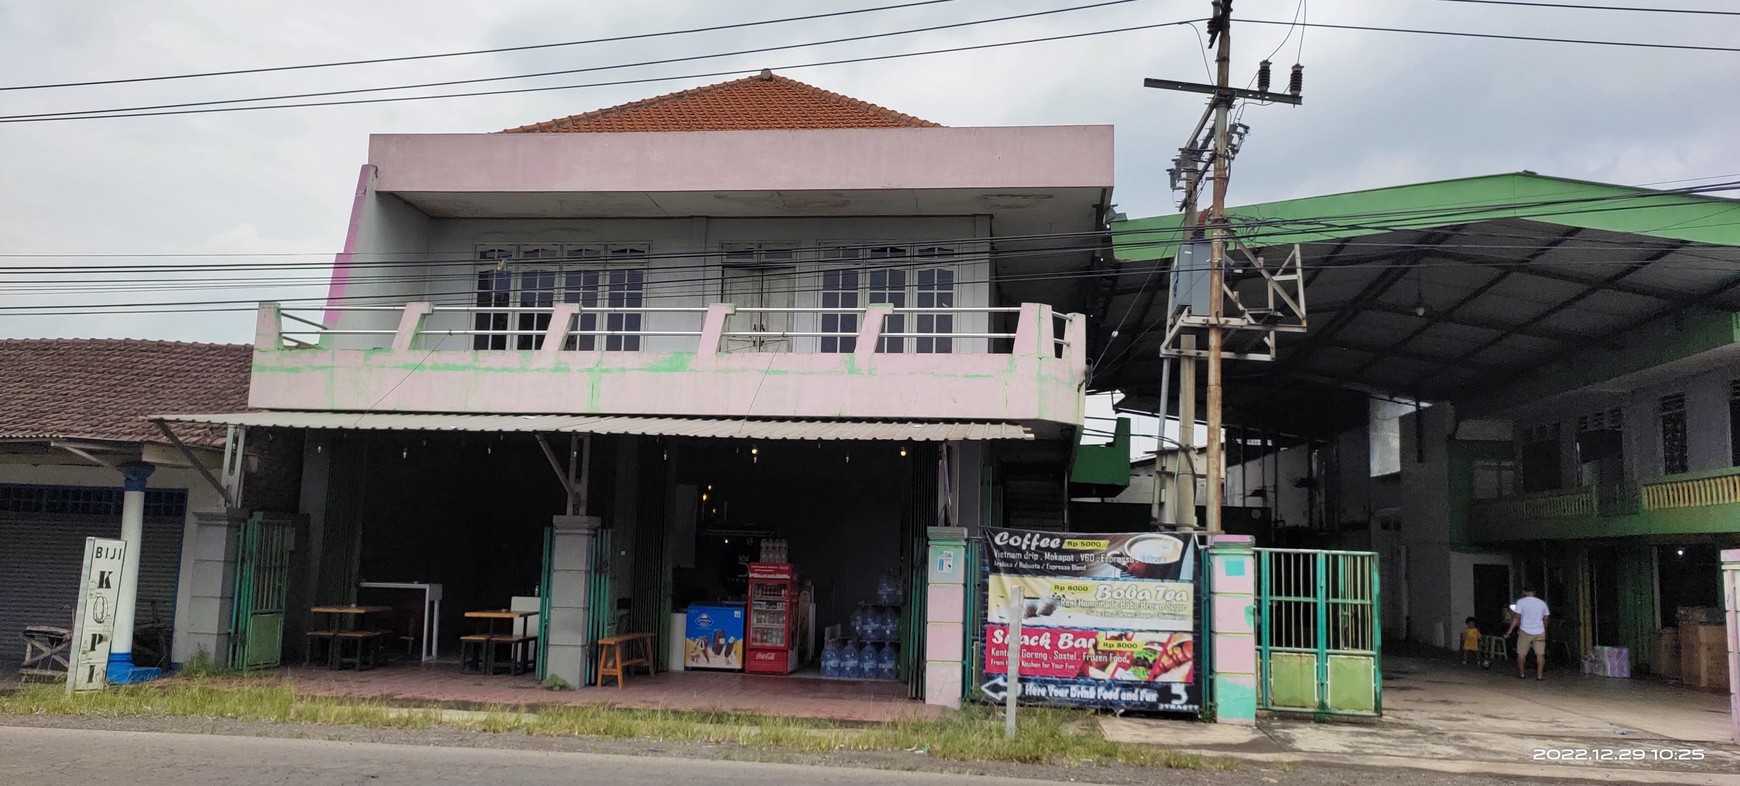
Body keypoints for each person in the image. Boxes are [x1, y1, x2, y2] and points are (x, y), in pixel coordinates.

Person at [1506, 587, 1550, 680]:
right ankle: (1539, 675)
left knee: (1521, 654)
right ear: (1535, 592)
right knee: (1540, 654)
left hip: (1525, 631)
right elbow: (1545, 619)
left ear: (1524, 592)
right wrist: (1544, 631)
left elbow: (1516, 618)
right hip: (1539, 631)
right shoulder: (1542, 603)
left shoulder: (1521, 602)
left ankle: (1522, 674)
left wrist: (1509, 631)